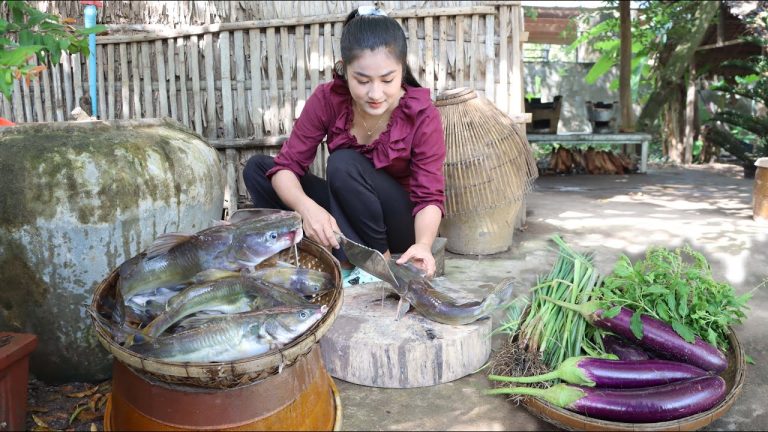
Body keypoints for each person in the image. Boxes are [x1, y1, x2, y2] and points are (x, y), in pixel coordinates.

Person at [242, 5, 445, 284]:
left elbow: (429, 198)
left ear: (402, 69)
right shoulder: (329, 99)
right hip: (348, 213)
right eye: (362, 80)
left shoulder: (421, 114)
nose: (375, 93)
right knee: (258, 170)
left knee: (342, 163)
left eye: (387, 80)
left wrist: (423, 245)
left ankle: (376, 263)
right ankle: (323, 251)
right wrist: (307, 208)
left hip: (398, 225)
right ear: (344, 68)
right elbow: (286, 167)